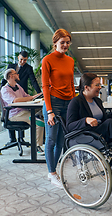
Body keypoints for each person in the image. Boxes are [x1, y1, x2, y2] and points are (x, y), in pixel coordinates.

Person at [42, 29, 75, 188]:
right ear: (55, 43)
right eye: (62, 42)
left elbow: (71, 84)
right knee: (51, 138)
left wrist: (74, 103)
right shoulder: (47, 60)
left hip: (68, 103)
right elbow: (45, 86)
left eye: (68, 42)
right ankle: (52, 173)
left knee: (61, 141)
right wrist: (49, 111)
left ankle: (52, 171)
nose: (65, 45)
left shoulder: (70, 60)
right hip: (53, 103)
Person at [1, 51, 43, 150]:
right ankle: (34, 146)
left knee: (40, 117)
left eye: (25, 60)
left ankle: (27, 140)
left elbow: (33, 82)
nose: (23, 61)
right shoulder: (6, 89)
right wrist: (31, 98)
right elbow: (14, 101)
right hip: (14, 112)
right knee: (37, 122)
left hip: (21, 107)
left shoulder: (19, 85)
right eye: (16, 73)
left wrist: (38, 95)